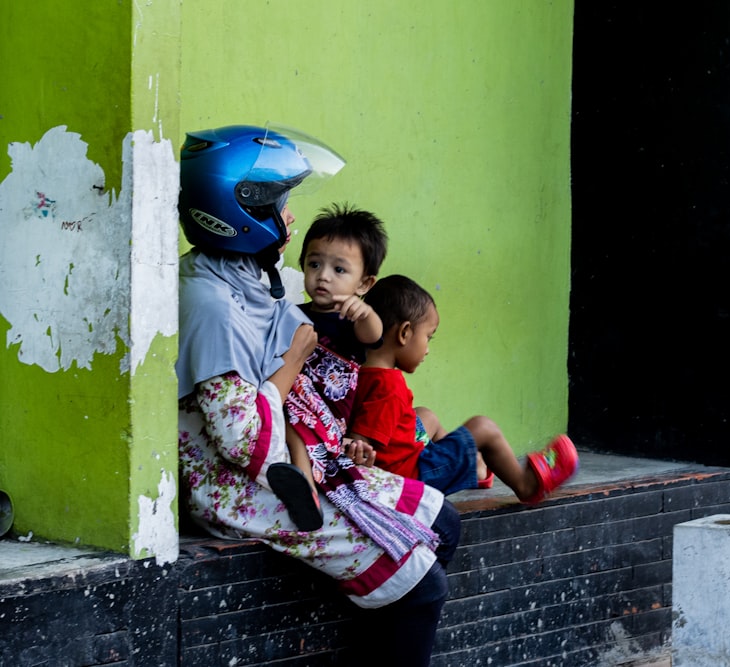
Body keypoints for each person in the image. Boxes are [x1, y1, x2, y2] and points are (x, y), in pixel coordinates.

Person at [175, 124, 459, 665]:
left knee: (444, 523)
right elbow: (239, 441)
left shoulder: (253, 274)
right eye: (281, 204)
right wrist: (293, 362)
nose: (289, 217)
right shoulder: (212, 305)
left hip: (304, 455)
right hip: (239, 483)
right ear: (240, 212)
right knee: (423, 586)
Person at [348, 274, 579, 503]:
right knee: (483, 427)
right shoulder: (388, 386)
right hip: (411, 479)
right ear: (404, 333)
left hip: (402, 463)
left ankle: (474, 468)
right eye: (428, 337)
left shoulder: (361, 372)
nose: (427, 349)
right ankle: (526, 485)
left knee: (425, 415)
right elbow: (361, 444)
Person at [280, 203, 389, 531]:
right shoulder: (292, 314)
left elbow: (375, 335)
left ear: (365, 283)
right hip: (295, 408)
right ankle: (303, 485)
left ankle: (306, 488)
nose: (323, 276)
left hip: (330, 419)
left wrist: (364, 312)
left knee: (296, 421)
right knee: (287, 415)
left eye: (339, 270)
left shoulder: (353, 321)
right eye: (315, 264)